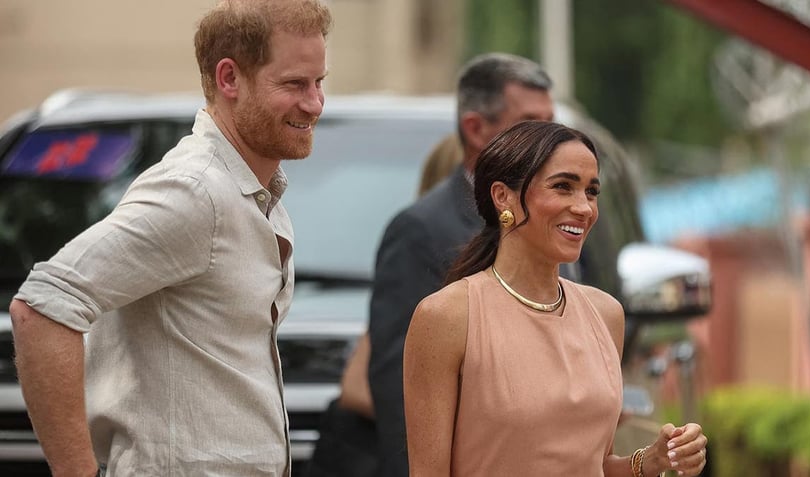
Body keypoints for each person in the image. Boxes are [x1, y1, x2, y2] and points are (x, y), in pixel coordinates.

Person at [8, 0, 331, 475]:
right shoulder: (195, 191)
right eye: (293, 84)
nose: (315, 103)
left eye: (319, 82)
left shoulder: (251, 193)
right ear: (229, 79)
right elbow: (41, 307)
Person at [403, 120, 708, 476]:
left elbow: (594, 465)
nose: (584, 208)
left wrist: (650, 461)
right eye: (563, 187)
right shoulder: (447, 317)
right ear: (503, 196)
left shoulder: (605, 314)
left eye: (591, 192)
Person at [367, 52, 558, 477]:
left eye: (552, 122)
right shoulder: (422, 230)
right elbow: (401, 389)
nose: (550, 140)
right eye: (530, 123)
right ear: (475, 128)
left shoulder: (566, 219)